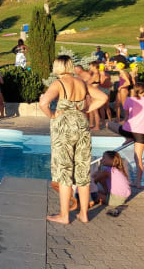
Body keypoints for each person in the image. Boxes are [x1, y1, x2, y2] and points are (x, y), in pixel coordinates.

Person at [39, 55, 108, 224]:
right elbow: (103, 98)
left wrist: (53, 115)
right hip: (82, 127)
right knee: (83, 171)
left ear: (57, 67)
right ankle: (84, 214)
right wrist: (86, 109)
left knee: (64, 172)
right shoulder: (81, 82)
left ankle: (64, 216)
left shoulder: (59, 84)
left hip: (64, 130)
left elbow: (43, 103)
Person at [109, 83, 144, 188]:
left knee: (108, 124)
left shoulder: (129, 99)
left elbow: (127, 117)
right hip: (141, 132)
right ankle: (138, 183)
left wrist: (123, 125)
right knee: (138, 158)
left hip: (128, 130)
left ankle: (128, 138)